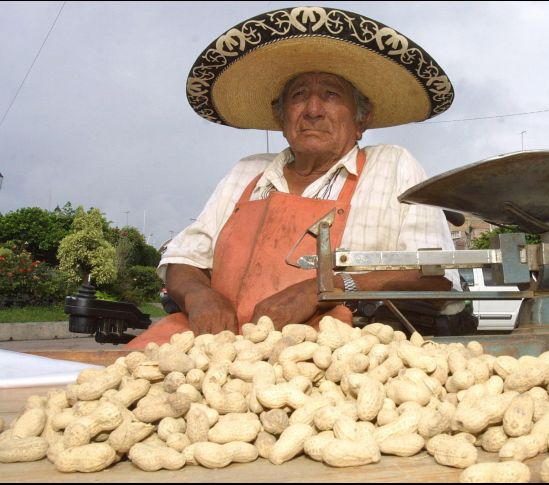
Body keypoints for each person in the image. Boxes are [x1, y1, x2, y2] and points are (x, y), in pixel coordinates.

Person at [126, 6, 460, 349]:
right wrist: (199, 296)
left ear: (362, 118)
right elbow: (184, 258)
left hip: (341, 355)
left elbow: (435, 274)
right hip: (220, 349)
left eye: (331, 95)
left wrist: (324, 288)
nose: (313, 109)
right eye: (299, 96)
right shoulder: (248, 171)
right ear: (281, 116)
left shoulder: (393, 165)